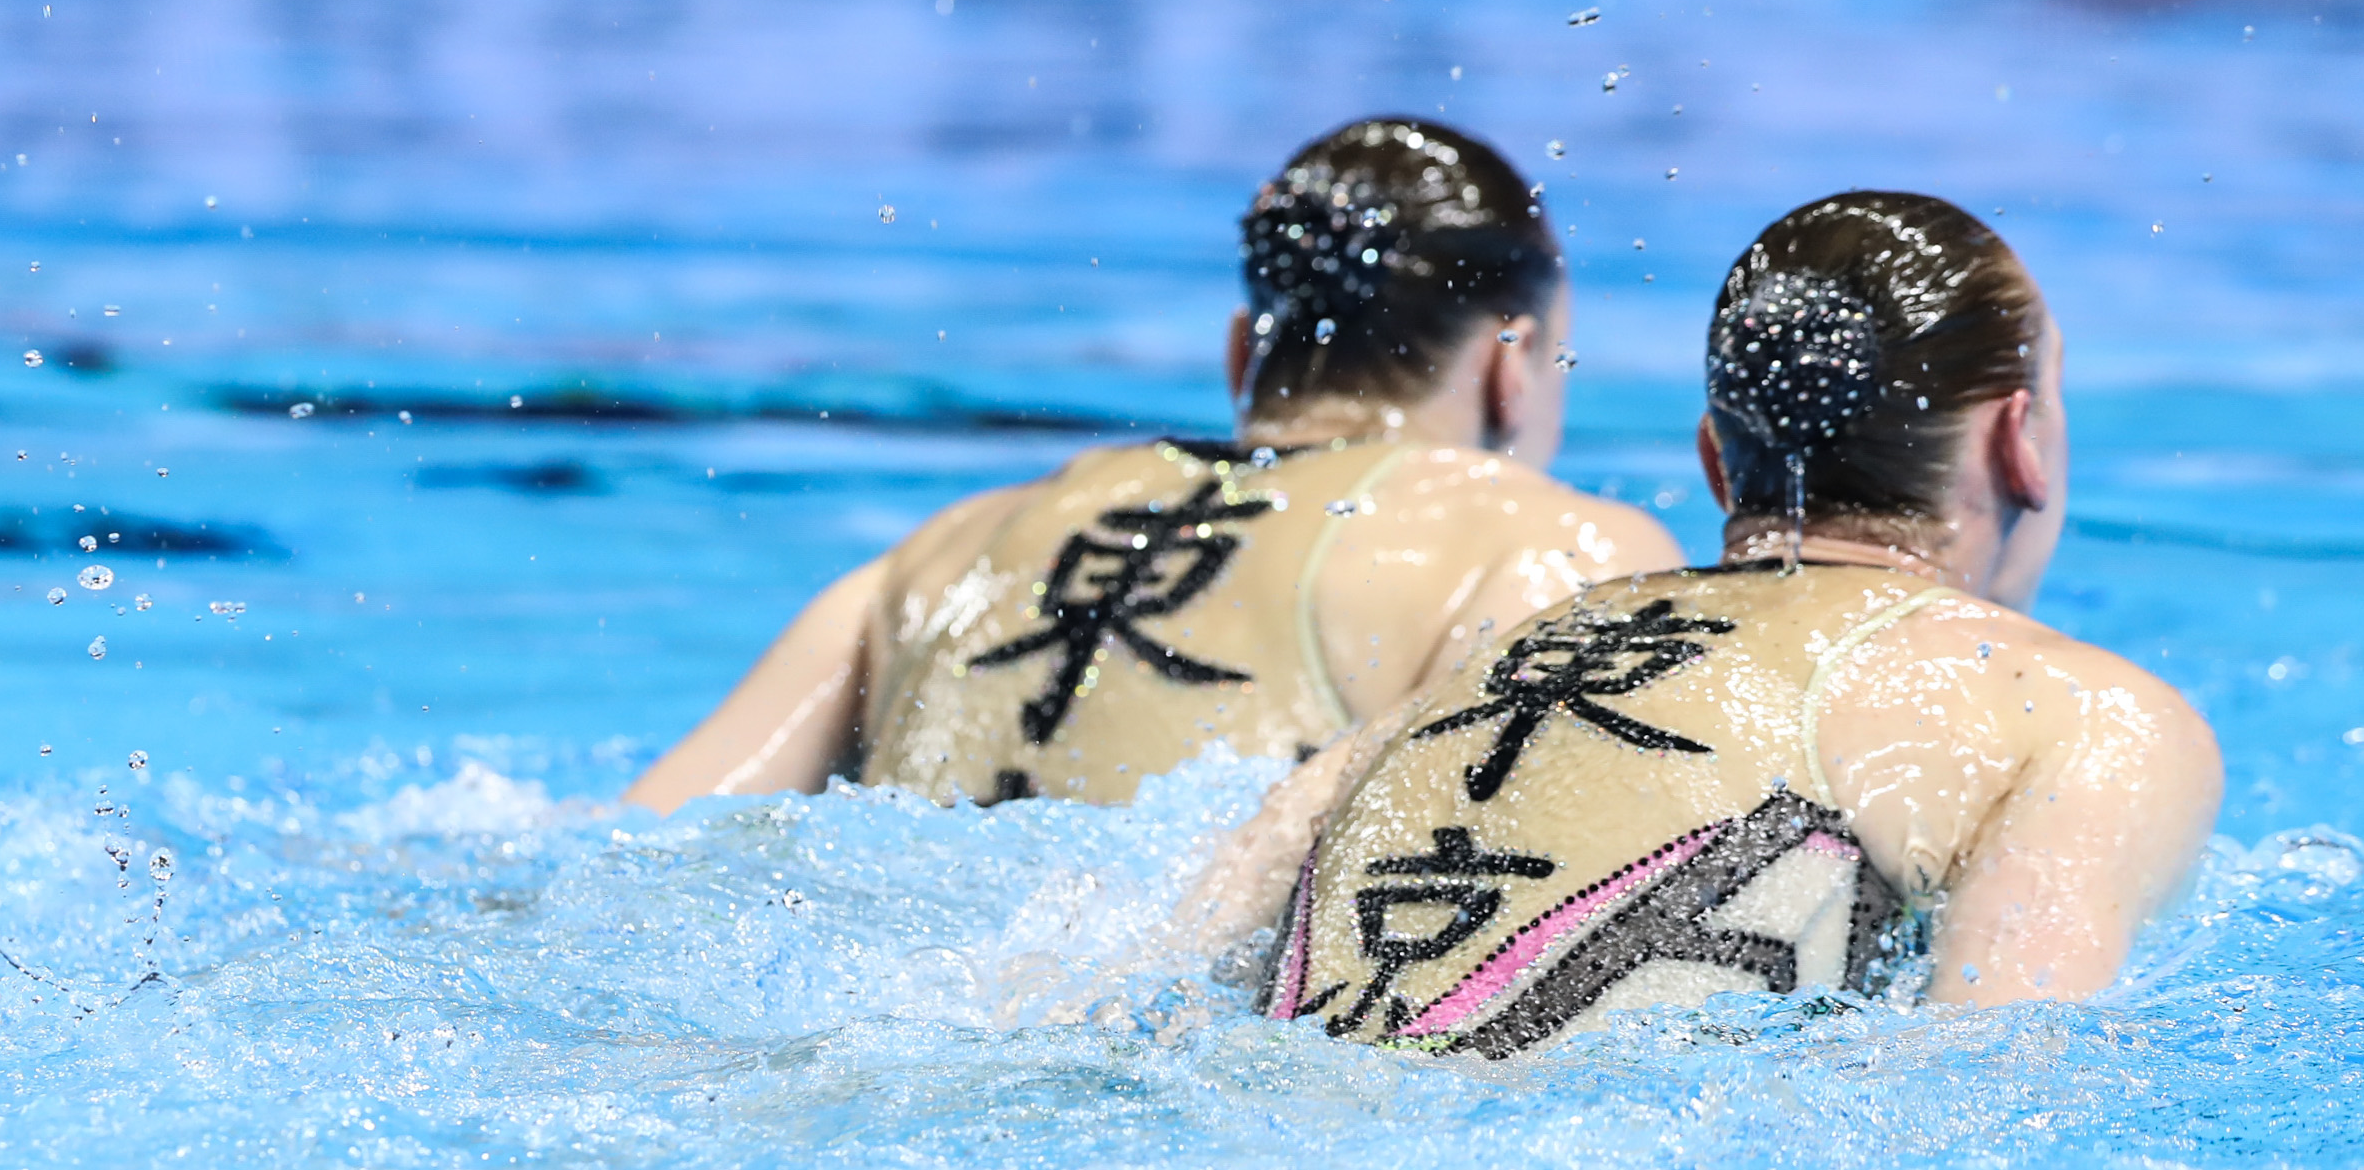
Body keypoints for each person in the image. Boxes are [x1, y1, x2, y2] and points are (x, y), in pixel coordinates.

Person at [1167, 190, 2219, 1053]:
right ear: (2018, 441)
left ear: (1717, 463)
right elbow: (1996, 1083)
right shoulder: (2085, 716)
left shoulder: (1506, 662)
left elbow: (1163, 973)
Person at [624, 117, 1683, 814]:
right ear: (1508, 370)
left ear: (1241, 355)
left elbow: (639, 847)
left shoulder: (942, 552)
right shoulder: (1542, 546)